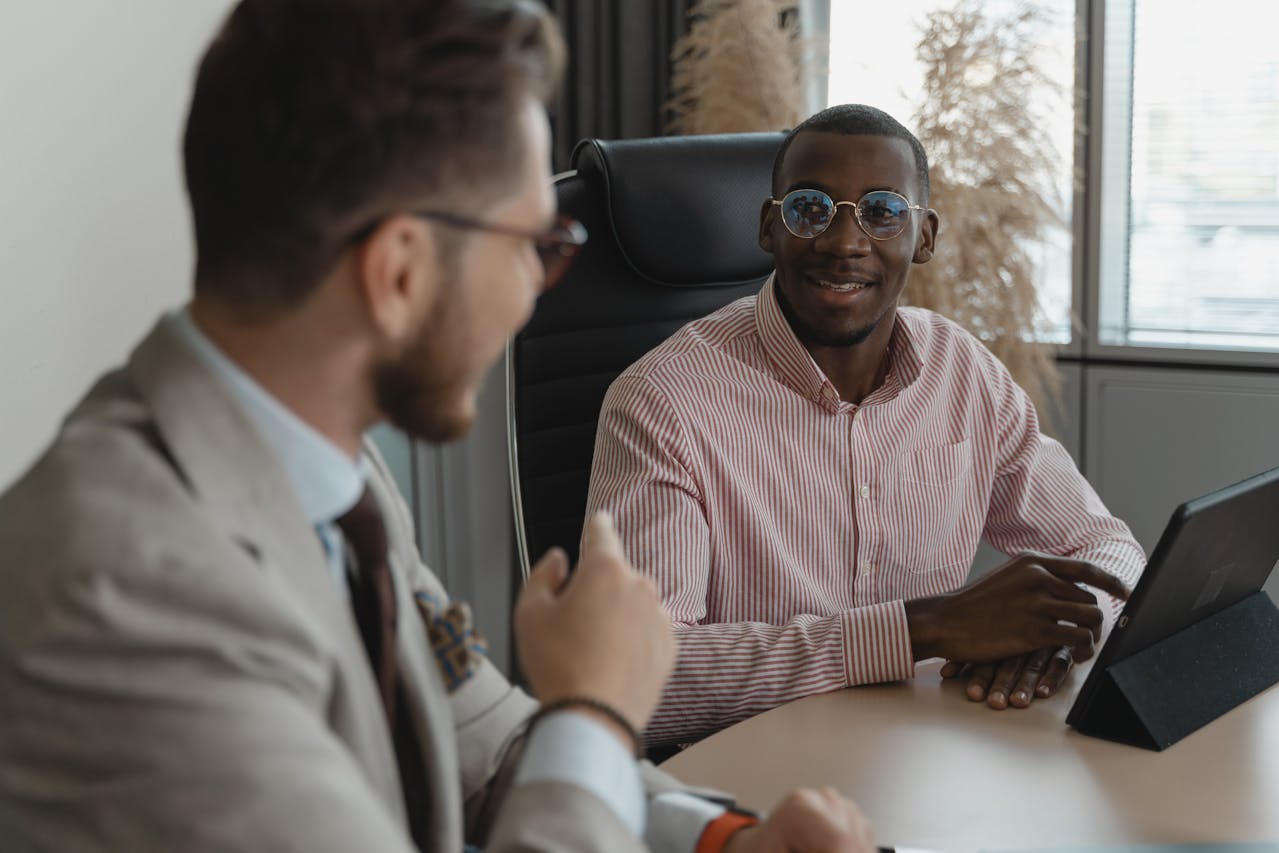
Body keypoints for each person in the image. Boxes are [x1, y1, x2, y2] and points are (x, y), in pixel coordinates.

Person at [0, 4, 877, 851]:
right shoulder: (122, 594)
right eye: (534, 245)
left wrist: (721, 837)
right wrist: (599, 710)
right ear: (401, 273)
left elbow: (485, 749)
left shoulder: (335, 470)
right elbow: (559, 751)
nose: (536, 290)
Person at [586, 104, 1144, 747]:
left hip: (925, 753)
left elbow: (1108, 550)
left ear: (925, 237)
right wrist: (919, 630)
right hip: (755, 777)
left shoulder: (962, 371)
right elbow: (636, 680)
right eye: (809, 208)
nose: (843, 242)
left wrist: (1055, 635)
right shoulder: (663, 400)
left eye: (881, 212)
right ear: (770, 227)